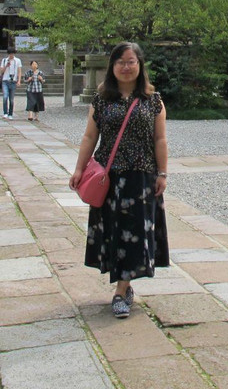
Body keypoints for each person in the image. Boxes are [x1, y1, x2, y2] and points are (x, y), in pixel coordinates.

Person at [69, 42, 169, 319]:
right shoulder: (102, 99)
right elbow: (90, 137)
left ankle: (121, 290)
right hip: (109, 177)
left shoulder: (153, 100)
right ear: (112, 67)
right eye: (120, 62)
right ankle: (123, 284)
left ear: (140, 65)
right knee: (114, 230)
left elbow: (160, 139)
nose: (126, 67)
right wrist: (79, 169)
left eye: (131, 61)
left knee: (134, 232)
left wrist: (162, 173)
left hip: (141, 175)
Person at [0, 49, 22, 120]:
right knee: (5, 97)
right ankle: (5, 113)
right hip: (5, 81)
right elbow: (1, 71)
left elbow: (19, 71)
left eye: (12, 54)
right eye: (10, 54)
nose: (11, 55)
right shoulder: (4, 60)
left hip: (13, 81)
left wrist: (19, 81)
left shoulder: (18, 60)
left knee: (11, 99)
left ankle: (10, 113)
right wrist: (6, 65)